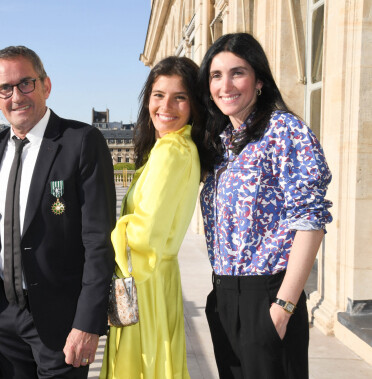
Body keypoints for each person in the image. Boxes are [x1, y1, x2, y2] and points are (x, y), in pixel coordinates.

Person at [197, 33, 333, 379]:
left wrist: (283, 307)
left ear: (259, 81)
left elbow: (311, 220)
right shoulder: (222, 143)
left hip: (268, 296)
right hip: (224, 297)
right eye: (216, 75)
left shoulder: (284, 130)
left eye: (237, 73)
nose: (225, 85)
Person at [0, 45, 116, 379]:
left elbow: (98, 241)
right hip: (3, 316)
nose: (16, 96)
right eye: (5, 89)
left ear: (46, 85)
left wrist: (88, 323)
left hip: (61, 321)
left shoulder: (82, 141)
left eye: (25, 83)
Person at [100, 56, 203, 379]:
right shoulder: (181, 146)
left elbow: (143, 235)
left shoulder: (171, 151)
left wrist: (105, 237)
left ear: (194, 104)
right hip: (159, 278)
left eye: (180, 97)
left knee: (137, 367)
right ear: (147, 100)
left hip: (143, 282)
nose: (166, 105)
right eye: (158, 95)